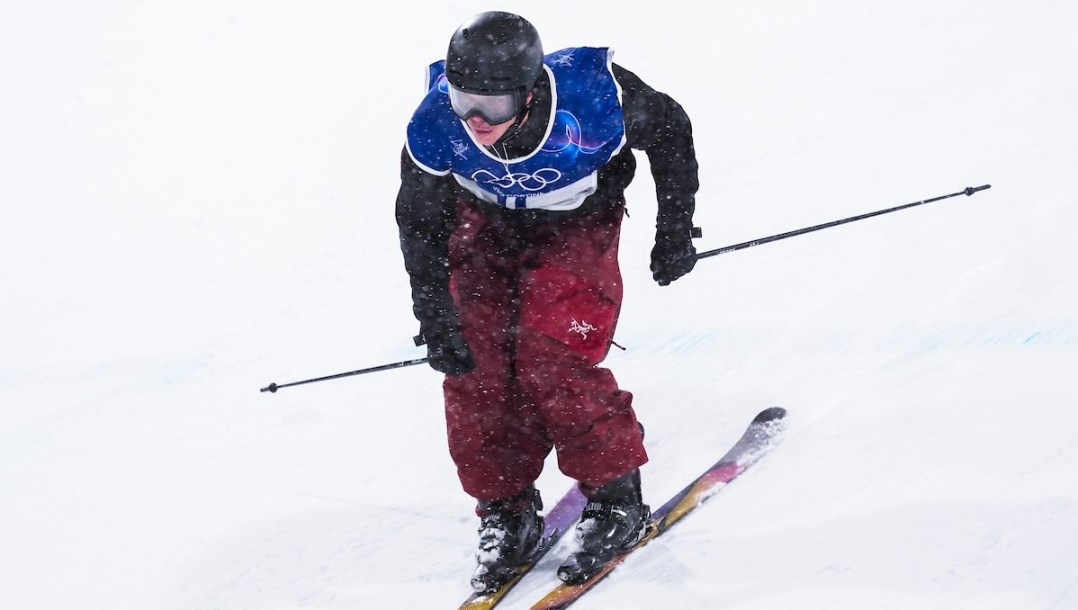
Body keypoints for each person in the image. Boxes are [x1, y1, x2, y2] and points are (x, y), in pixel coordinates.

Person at [395, 11, 700, 591]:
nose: (477, 120)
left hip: (574, 226)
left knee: (551, 355)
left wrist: (675, 231)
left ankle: (616, 501)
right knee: (475, 363)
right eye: (464, 100)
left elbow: (670, 130)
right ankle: (506, 509)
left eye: (495, 105)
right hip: (480, 227)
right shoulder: (438, 121)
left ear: (529, 94)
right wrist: (434, 314)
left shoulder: (595, 99)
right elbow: (419, 221)